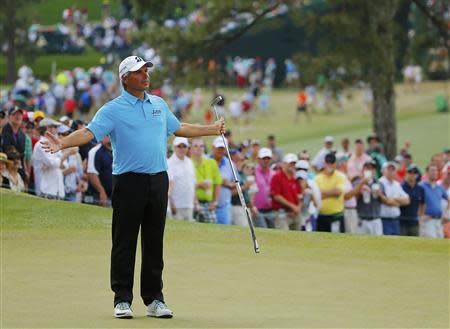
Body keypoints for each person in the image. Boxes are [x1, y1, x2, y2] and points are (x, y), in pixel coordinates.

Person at [40, 55, 225, 319]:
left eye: (146, 70)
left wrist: (212, 129)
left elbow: (180, 128)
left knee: (154, 241)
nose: (146, 75)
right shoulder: (113, 109)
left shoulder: (158, 104)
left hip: (158, 180)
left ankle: (154, 300)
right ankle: (122, 299)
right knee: (124, 240)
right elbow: (89, 133)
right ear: (125, 78)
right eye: (139, 72)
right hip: (128, 181)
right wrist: (63, 142)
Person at [190, 137, 222, 223]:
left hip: (208, 204)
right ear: (191, 149)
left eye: (201, 146)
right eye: (195, 146)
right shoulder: (188, 163)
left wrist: (215, 202)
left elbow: (218, 183)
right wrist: (199, 184)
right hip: (192, 203)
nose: (199, 148)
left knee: (212, 229)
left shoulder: (212, 162)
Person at [314, 153, 346, 233]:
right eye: (327, 163)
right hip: (321, 215)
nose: (329, 165)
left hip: (336, 215)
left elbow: (338, 192)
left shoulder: (340, 176)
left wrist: (322, 192)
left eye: (332, 163)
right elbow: (317, 195)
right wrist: (331, 192)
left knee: (338, 241)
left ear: (335, 164)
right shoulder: (317, 178)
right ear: (324, 163)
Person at [270, 153, 302, 230]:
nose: (293, 165)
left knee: (298, 238)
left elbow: (300, 196)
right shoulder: (277, 177)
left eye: (294, 163)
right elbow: (276, 196)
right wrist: (292, 206)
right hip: (281, 214)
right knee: (283, 237)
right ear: (284, 164)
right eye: (290, 163)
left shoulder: (295, 179)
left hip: (295, 214)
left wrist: (298, 208)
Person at [167, 137, 196, 221]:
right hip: (176, 206)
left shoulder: (190, 162)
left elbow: (193, 183)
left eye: (184, 146)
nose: (182, 149)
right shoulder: (169, 163)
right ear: (174, 147)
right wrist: (172, 205)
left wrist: (195, 201)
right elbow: (168, 187)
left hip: (189, 205)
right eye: (179, 146)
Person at [379, 162, 410, 235]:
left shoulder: (397, 184)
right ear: (383, 171)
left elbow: (407, 200)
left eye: (393, 170)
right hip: (384, 219)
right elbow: (387, 201)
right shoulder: (380, 183)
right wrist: (399, 202)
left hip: (395, 220)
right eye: (388, 169)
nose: (391, 172)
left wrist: (394, 200)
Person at [353, 160, 384, 235]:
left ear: (374, 170)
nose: (370, 170)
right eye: (367, 168)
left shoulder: (379, 183)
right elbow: (353, 198)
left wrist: (380, 194)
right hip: (362, 219)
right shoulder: (357, 182)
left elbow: (384, 201)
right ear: (363, 169)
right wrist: (362, 185)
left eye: (372, 168)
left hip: (376, 219)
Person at [419, 164, 449, 238]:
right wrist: (420, 216)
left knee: (439, 243)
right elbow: (417, 203)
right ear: (426, 172)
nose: (435, 172)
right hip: (427, 220)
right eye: (432, 170)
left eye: (436, 171)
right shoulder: (421, 186)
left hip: (439, 220)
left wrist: (446, 214)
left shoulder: (439, 187)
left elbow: (449, 200)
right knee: (430, 241)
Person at [211, 136, 235, 225]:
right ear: (213, 147)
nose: (220, 151)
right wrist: (219, 181)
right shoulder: (205, 160)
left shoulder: (230, 164)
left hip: (224, 206)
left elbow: (236, 183)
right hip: (207, 205)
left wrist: (228, 184)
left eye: (222, 148)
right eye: (218, 148)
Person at [86, 136, 113, 207]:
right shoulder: (95, 151)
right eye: (107, 136)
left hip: (112, 196)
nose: (109, 139)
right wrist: (101, 191)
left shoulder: (114, 152)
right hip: (97, 196)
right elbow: (92, 174)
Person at [253, 147, 276, 228]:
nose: (266, 160)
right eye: (264, 158)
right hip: (257, 210)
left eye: (268, 158)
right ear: (258, 159)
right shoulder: (253, 172)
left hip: (271, 209)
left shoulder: (274, 174)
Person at [399, 164, 424, 236]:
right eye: (410, 172)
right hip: (402, 222)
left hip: (414, 222)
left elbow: (422, 204)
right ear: (406, 173)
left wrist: (420, 217)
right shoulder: (401, 187)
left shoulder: (420, 189)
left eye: (414, 173)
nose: (412, 175)